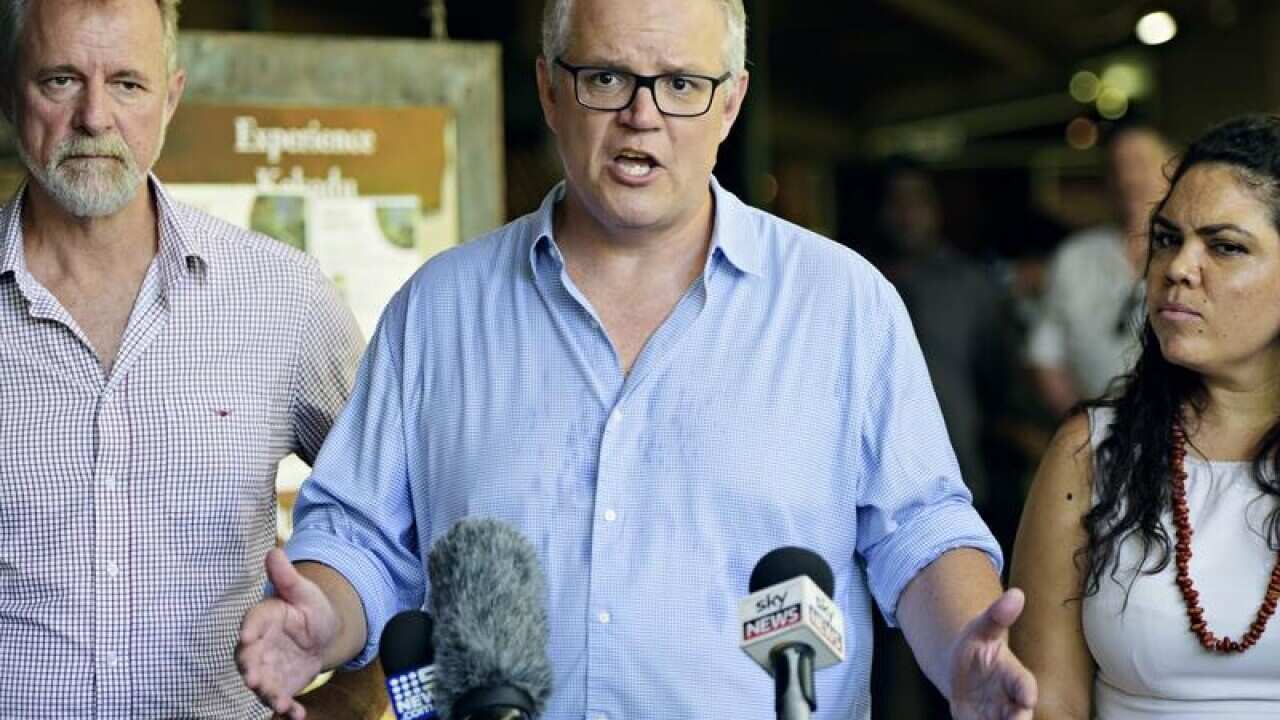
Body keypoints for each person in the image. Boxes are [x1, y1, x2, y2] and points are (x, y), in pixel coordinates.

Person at [237, 1, 1037, 718]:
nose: (641, 117)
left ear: (731, 102)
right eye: (607, 78)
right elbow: (362, 537)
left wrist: (962, 649)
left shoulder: (843, 306)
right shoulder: (438, 311)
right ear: (550, 90)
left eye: (681, 84)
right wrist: (323, 619)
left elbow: (920, 531)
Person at [0, 0, 380, 717]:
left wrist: (355, 701)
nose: (94, 117)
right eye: (60, 80)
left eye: (127, 84)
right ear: (9, 92)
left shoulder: (283, 298)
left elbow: (401, 521)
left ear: (170, 98)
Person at [1012, 113, 1280, 718]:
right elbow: (1048, 702)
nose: (1178, 267)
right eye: (1166, 239)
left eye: (1225, 246)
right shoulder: (1089, 450)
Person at [1027, 124, 1174, 417]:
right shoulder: (1075, 256)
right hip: (1097, 427)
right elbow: (1045, 356)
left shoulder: (1194, 254)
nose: (1129, 178)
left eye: (1141, 164)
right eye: (1119, 167)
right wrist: (1087, 427)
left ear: (1175, 170)